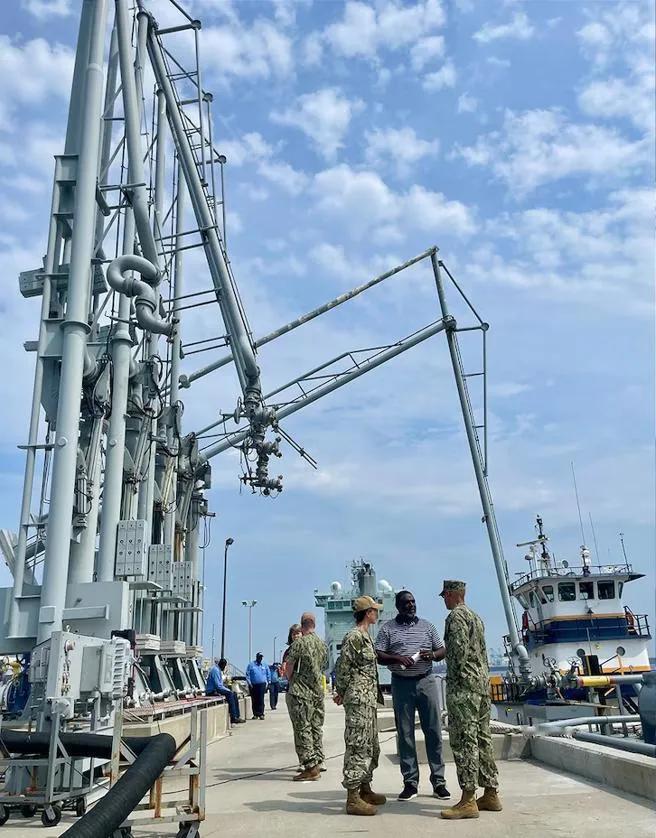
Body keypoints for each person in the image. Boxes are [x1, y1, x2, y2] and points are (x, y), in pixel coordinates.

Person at [375, 590, 449, 801]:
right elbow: (379, 654)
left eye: (413, 602)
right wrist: (398, 658)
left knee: (433, 731)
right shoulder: (387, 629)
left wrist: (432, 655)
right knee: (405, 734)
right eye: (406, 603)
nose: (411, 605)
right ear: (398, 606)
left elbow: (442, 650)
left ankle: (439, 782)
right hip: (401, 684)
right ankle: (410, 782)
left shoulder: (427, 626)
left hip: (426, 681)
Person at [439, 580, 501, 820]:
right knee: (483, 738)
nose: (444, 600)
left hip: (464, 689)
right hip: (482, 686)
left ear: (452, 595)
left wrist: (455, 681)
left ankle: (468, 799)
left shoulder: (456, 617)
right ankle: (491, 793)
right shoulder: (476, 617)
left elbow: (457, 653)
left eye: (445, 596)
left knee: (465, 741)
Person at [334, 595, 386, 817]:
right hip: (358, 700)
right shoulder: (354, 637)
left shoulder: (366, 637)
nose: (377, 613)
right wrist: (341, 691)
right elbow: (344, 667)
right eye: (375, 610)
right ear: (368, 613)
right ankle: (353, 797)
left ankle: (365, 788)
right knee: (358, 745)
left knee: (371, 745)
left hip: (368, 699)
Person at [286, 612, 328, 782]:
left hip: (300, 692)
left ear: (302, 625)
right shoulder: (322, 644)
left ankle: (310, 767)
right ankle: (319, 760)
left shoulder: (299, 643)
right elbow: (324, 666)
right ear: (314, 625)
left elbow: (289, 666)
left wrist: (291, 680)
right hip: (317, 692)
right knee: (316, 727)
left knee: (302, 729)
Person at [205, 657, 246, 724]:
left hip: (217, 689)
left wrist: (228, 690)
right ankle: (233, 717)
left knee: (234, 694)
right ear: (223, 665)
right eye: (224, 666)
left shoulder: (218, 670)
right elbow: (218, 686)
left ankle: (237, 716)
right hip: (212, 691)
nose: (224, 668)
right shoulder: (215, 671)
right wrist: (228, 690)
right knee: (230, 694)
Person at [245, 652, 270, 720]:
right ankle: (255, 714)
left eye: (261, 657)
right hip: (253, 685)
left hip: (262, 684)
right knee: (254, 700)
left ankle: (261, 714)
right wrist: (249, 683)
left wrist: (268, 682)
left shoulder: (264, 665)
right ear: (257, 657)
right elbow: (247, 675)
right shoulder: (251, 665)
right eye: (259, 657)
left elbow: (268, 674)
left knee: (261, 699)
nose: (260, 658)